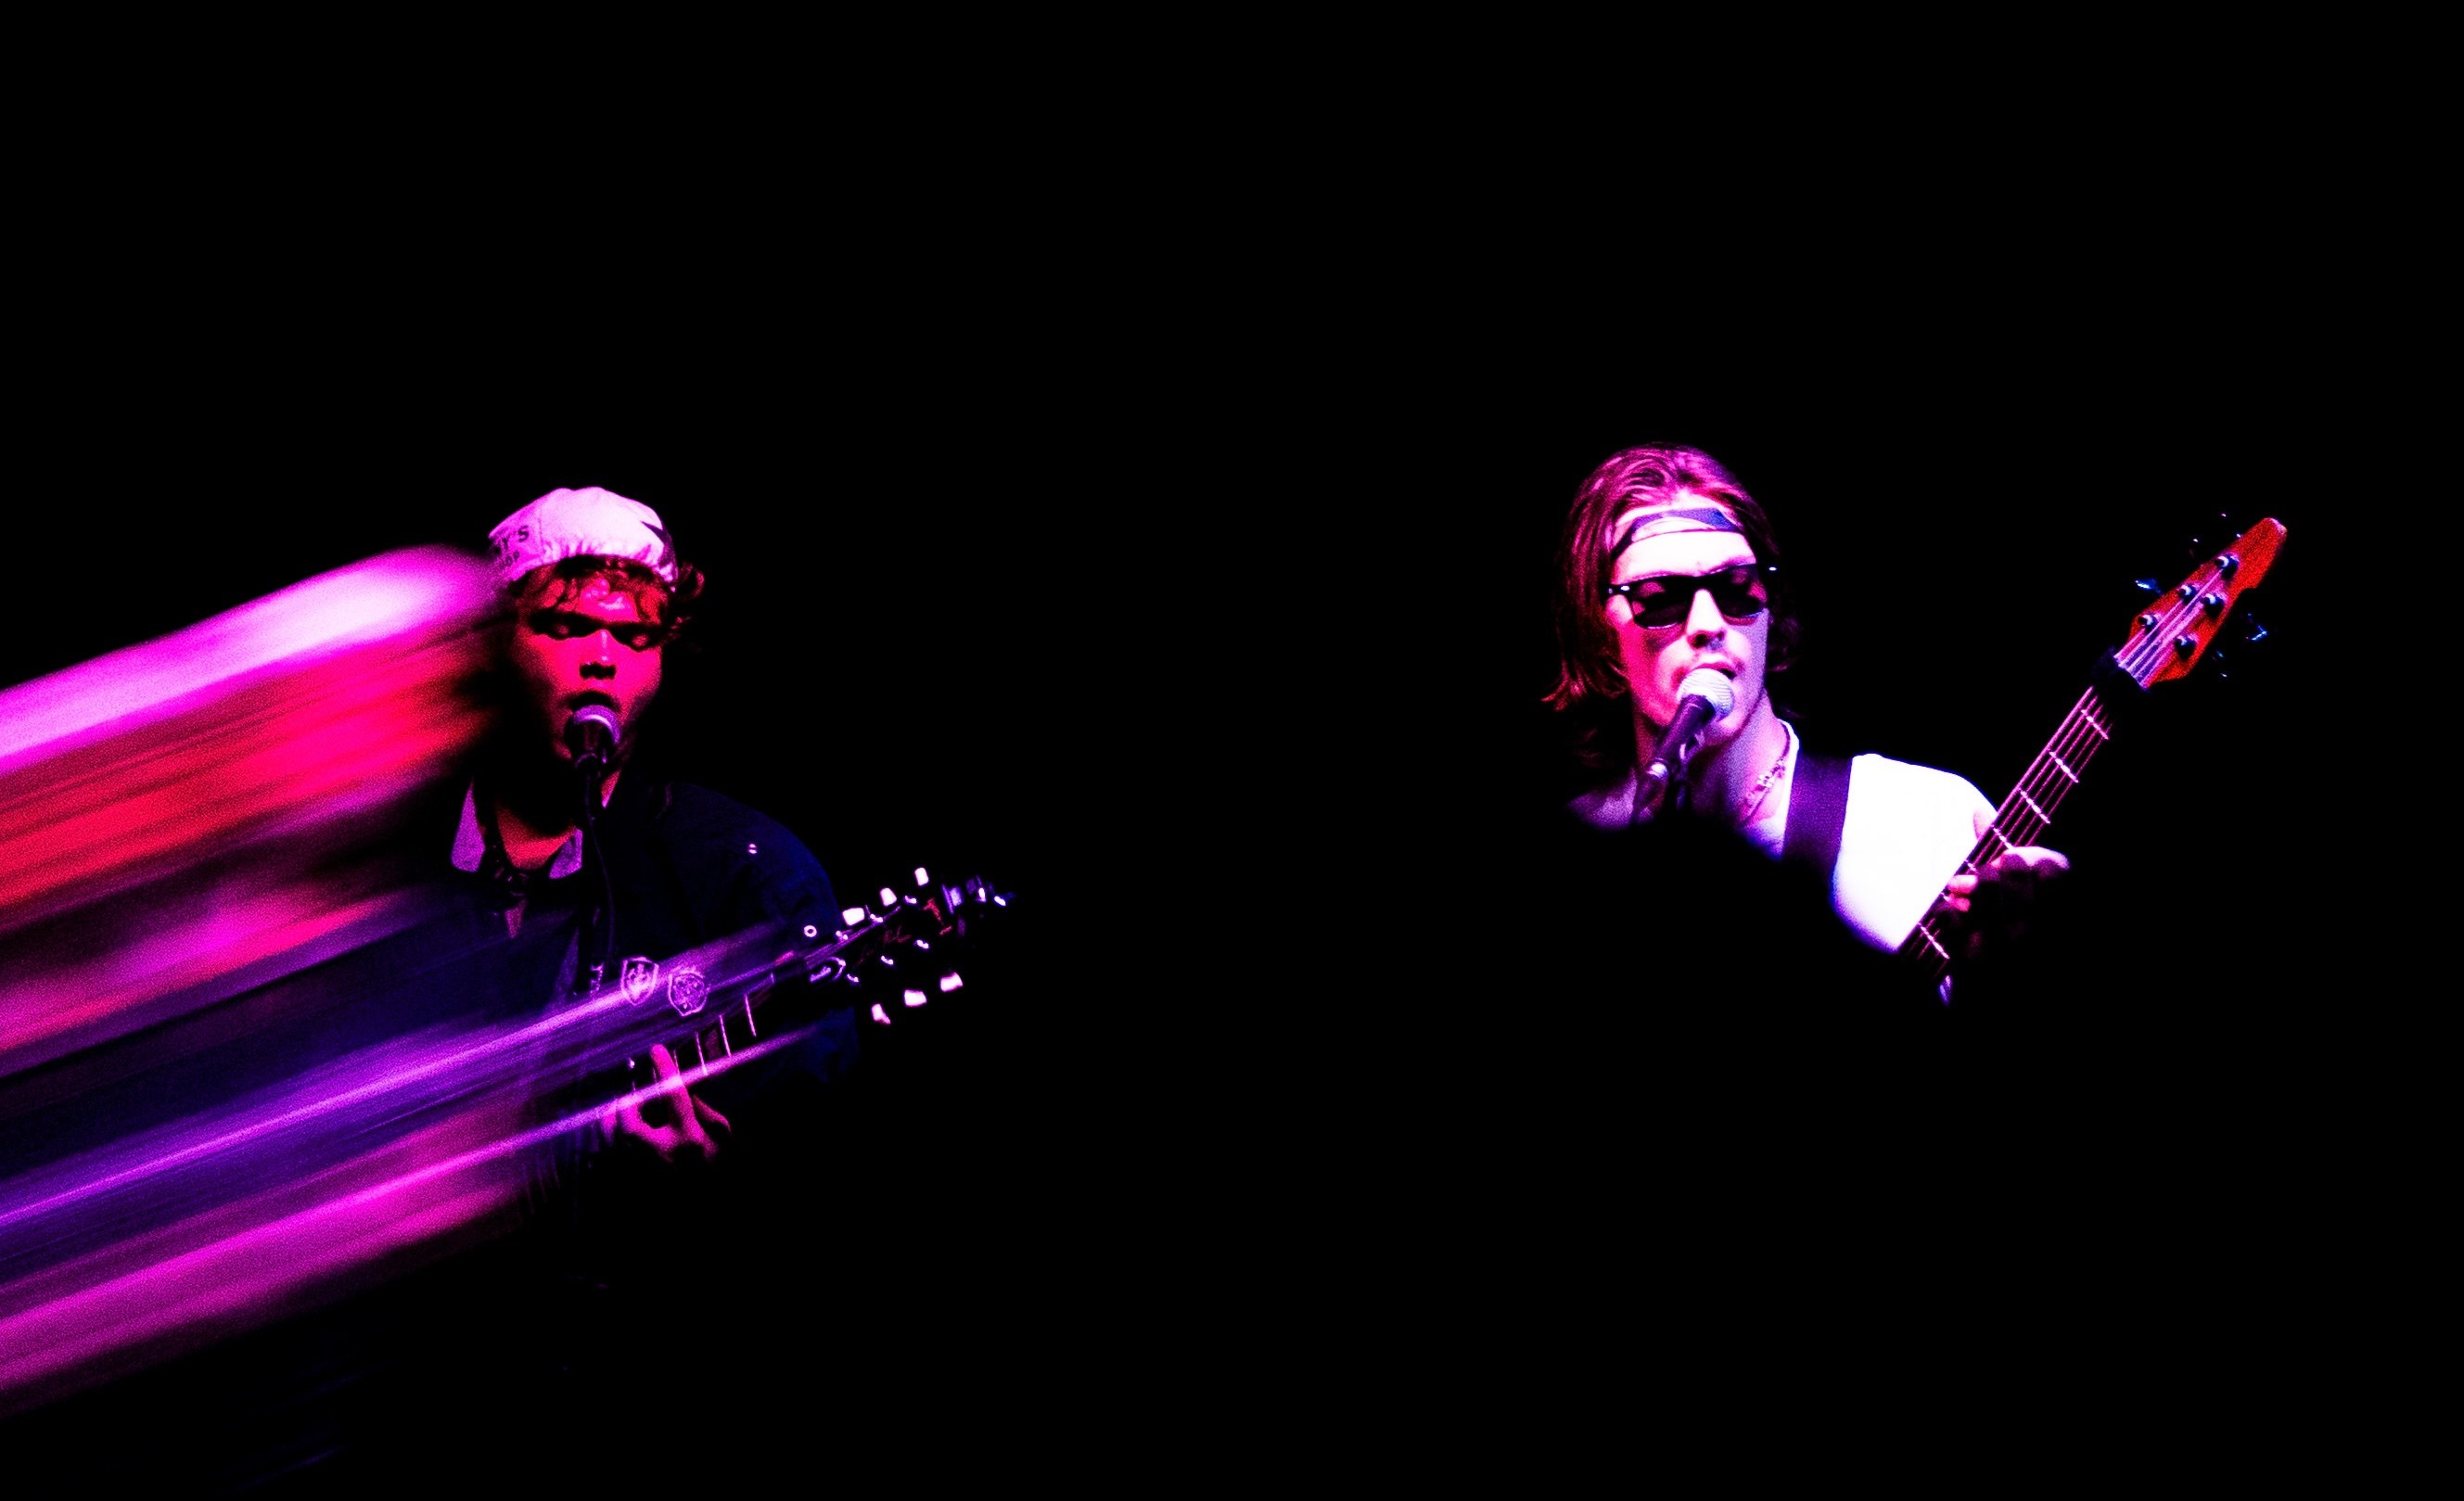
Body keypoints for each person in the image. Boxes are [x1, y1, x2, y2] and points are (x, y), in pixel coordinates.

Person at [1544, 444, 2069, 994]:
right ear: (1602, 639)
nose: (1707, 624)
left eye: (1736, 588)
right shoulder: (1578, 852)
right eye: (1659, 597)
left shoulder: (1929, 817)